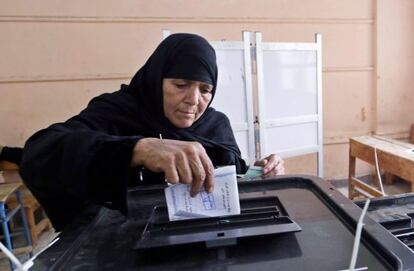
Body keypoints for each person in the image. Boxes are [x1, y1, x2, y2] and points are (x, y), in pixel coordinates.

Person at [20, 33, 284, 231]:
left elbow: (232, 174)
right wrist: (137, 149)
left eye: (205, 90)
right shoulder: (117, 112)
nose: (194, 100)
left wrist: (258, 173)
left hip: (208, 241)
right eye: (181, 84)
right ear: (156, 79)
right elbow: (41, 152)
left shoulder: (216, 125)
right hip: (126, 246)